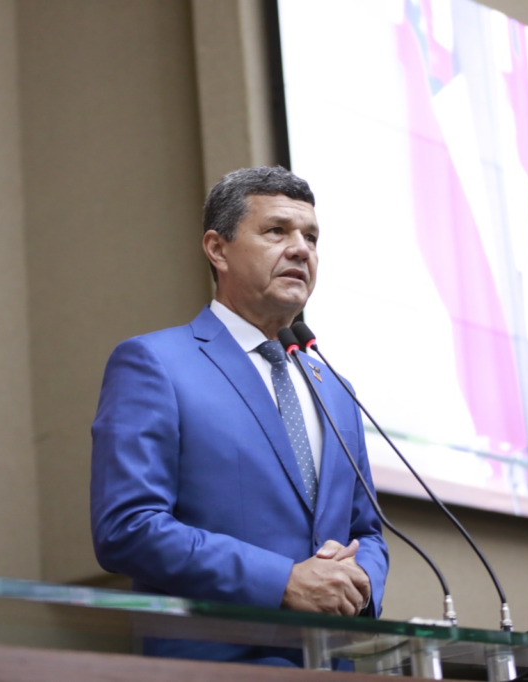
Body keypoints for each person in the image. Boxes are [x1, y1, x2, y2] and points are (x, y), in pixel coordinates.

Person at [90, 166, 388, 666]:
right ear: (218, 249)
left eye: (311, 237)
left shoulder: (336, 390)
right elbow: (128, 527)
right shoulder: (155, 363)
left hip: (331, 664)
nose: (301, 249)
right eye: (277, 231)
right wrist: (283, 582)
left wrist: (357, 584)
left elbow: (368, 533)